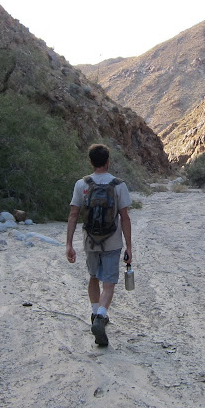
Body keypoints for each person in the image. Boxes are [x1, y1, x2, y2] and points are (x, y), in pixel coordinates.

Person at [66, 144, 132, 347]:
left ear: (91, 162)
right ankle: (102, 315)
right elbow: (125, 217)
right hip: (112, 240)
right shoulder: (118, 185)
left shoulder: (81, 184)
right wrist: (129, 247)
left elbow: (73, 215)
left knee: (93, 277)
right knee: (109, 283)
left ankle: (95, 313)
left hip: (90, 240)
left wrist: (69, 243)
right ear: (108, 161)